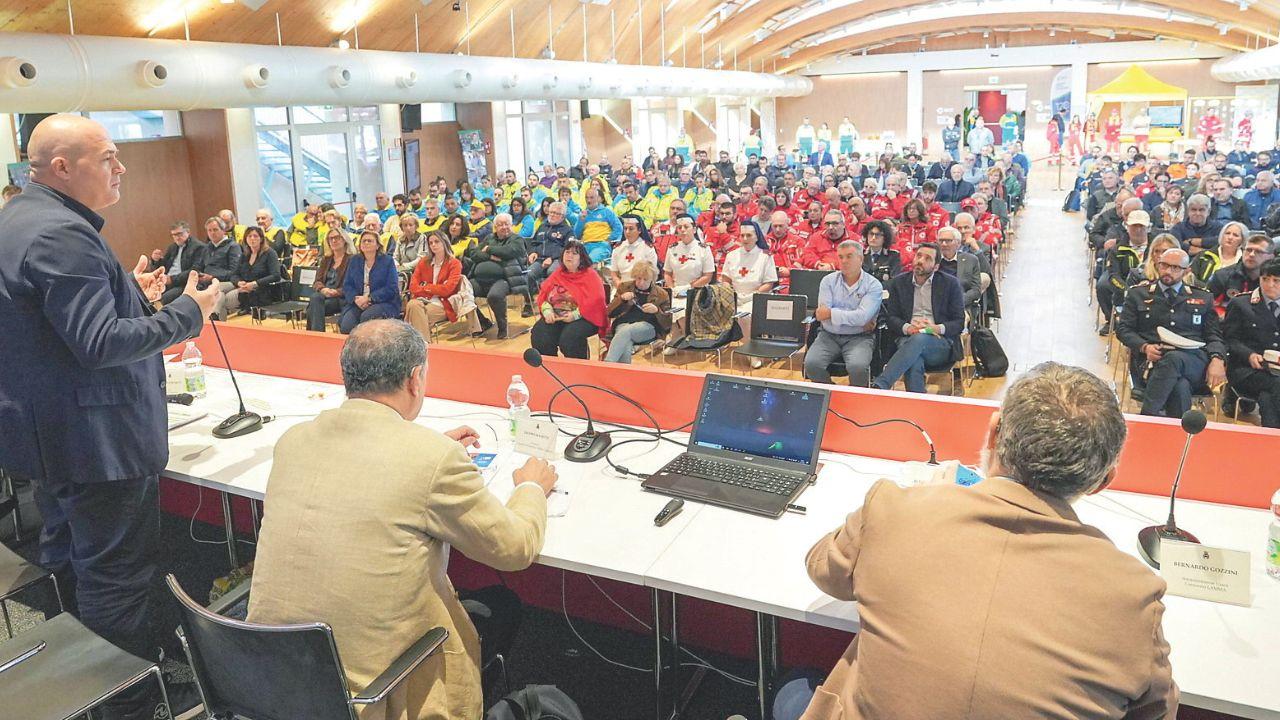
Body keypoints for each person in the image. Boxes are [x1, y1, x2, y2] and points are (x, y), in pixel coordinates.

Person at [791, 362, 1177, 720]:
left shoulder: (894, 510)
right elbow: (1158, 709)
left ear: (993, 433)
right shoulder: (1134, 595)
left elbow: (823, 569)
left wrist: (923, 501)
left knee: (793, 693)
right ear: (1102, 481)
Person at [0, 114, 219, 719]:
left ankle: (80, 685)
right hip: (99, 446)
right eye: (109, 157)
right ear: (62, 167)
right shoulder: (62, 235)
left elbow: (54, 330)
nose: (121, 168)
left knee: (69, 564)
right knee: (116, 582)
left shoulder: (18, 219)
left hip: (48, 440)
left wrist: (128, 293)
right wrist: (186, 311)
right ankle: (128, 703)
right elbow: (96, 345)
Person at [247, 320, 557, 720]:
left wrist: (427, 448)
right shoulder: (430, 459)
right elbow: (515, 549)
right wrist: (531, 488)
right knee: (501, 605)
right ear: (415, 380)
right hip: (364, 698)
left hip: (269, 678)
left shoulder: (294, 440)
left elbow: (361, 470)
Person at [1116, 248, 1227, 417]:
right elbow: (1123, 329)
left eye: (1175, 268)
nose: (1168, 271)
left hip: (1193, 361)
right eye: (1164, 265)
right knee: (1179, 386)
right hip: (1153, 361)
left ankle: (1147, 418)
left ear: (1186, 270)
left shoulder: (1203, 298)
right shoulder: (1138, 293)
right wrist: (1144, 347)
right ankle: (1178, 437)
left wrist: (1218, 359)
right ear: (1157, 265)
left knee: (1174, 359)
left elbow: (1213, 335)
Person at [872, 243, 965, 393]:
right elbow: (891, 317)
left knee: (919, 339)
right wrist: (908, 328)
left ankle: (881, 385)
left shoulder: (950, 284)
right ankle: (918, 403)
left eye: (927, 258)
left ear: (935, 266)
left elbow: (959, 322)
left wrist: (935, 328)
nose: (920, 260)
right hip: (907, 337)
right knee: (914, 361)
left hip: (939, 342)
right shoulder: (898, 283)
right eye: (918, 256)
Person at [803, 240, 882, 387]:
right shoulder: (828, 281)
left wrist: (831, 313)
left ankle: (859, 401)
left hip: (860, 338)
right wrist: (855, 318)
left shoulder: (873, 285)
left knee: (857, 367)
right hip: (828, 335)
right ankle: (831, 394)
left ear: (861, 258)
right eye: (840, 257)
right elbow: (822, 316)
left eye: (849, 256)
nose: (844, 261)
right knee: (811, 364)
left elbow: (863, 317)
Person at [1222, 258, 1280, 427]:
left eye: (1276, 280)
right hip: (1247, 370)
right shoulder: (1241, 304)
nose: (1270, 285)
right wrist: (1249, 355)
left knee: (1267, 397)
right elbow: (1229, 339)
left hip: (1276, 372)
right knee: (1276, 384)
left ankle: (1271, 440)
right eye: (1265, 279)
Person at [531, 240, 607, 359]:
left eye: (574, 253)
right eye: (567, 252)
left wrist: (575, 315)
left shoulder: (590, 275)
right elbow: (544, 297)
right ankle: (551, 368)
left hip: (584, 317)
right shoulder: (558, 273)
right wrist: (547, 311)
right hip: (556, 315)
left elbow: (596, 301)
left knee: (570, 338)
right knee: (540, 333)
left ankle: (579, 370)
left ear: (581, 258)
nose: (569, 256)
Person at [405, 230, 482, 340]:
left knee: (415, 316)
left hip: (443, 304)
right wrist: (434, 289)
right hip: (422, 301)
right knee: (413, 305)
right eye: (431, 243)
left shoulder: (454, 263)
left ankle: (423, 346)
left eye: (437, 241)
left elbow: (447, 290)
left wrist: (426, 287)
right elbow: (413, 287)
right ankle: (425, 344)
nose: (433, 245)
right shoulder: (423, 262)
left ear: (444, 242)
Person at [465, 213, 528, 341]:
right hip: (479, 280)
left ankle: (502, 326)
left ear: (512, 225)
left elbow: (509, 251)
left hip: (505, 279)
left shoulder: (517, 239)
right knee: (463, 293)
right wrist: (491, 256)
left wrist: (488, 249)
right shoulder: (489, 238)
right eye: (500, 225)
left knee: (494, 296)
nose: (504, 227)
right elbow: (474, 254)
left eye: (507, 224)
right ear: (495, 227)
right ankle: (483, 322)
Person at [604, 260, 671, 363]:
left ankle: (608, 364)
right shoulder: (624, 287)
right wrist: (621, 299)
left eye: (645, 279)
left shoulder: (662, 294)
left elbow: (667, 324)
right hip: (623, 323)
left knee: (626, 332)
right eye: (638, 278)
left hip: (648, 327)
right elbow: (609, 312)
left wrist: (657, 311)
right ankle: (622, 376)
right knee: (625, 343)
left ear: (652, 280)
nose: (641, 282)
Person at [340, 229, 401, 334]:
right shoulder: (354, 260)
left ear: (377, 245)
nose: (366, 243)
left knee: (367, 318)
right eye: (364, 241)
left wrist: (369, 298)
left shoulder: (387, 261)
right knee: (346, 326)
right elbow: (347, 285)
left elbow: (391, 287)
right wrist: (355, 299)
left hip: (384, 303)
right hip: (358, 302)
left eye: (370, 241)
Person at [219, 224, 281, 319]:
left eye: (255, 236)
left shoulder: (270, 253)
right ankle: (217, 319)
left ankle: (218, 319)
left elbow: (276, 275)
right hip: (243, 286)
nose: (252, 239)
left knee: (222, 300)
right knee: (218, 290)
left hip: (261, 289)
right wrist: (239, 282)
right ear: (245, 239)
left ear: (261, 239)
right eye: (249, 236)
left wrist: (254, 283)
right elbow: (234, 275)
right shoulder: (245, 255)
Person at [1209, 234, 1275, 314]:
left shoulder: (1276, 280)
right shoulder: (1222, 275)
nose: (1251, 254)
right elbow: (1209, 307)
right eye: (1248, 250)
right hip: (1229, 322)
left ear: (1271, 256)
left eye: (1258, 251)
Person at [307, 228, 353, 332]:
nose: (333, 241)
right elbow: (317, 281)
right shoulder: (326, 259)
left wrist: (336, 292)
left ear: (344, 240)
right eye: (330, 239)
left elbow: (353, 284)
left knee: (313, 306)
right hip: (324, 297)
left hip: (341, 298)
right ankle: (318, 336)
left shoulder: (352, 259)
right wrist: (323, 289)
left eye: (337, 238)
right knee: (316, 299)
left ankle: (315, 336)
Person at [610, 214, 659, 286]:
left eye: (631, 229)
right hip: (621, 287)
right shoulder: (618, 248)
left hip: (641, 287)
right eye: (625, 228)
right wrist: (619, 285)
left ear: (639, 230)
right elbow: (614, 273)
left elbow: (651, 274)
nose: (627, 232)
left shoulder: (648, 248)